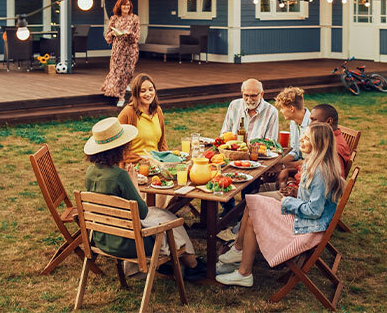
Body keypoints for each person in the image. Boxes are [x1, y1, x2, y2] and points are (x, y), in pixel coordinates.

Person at [215, 123, 346, 286]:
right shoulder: (316, 164)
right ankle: (240, 255)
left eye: (306, 138)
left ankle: (244, 271)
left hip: (307, 227)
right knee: (252, 201)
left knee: (253, 218)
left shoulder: (320, 172)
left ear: (319, 144)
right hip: (304, 217)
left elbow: (314, 210)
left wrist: (288, 202)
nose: (301, 139)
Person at [83, 117, 206, 280]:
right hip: (129, 243)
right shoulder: (120, 176)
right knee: (169, 220)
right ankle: (193, 265)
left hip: (102, 239)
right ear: (119, 148)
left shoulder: (90, 172)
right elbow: (142, 212)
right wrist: (133, 184)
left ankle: (187, 263)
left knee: (162, 214)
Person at [117, 73, 168, 191]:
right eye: (143, 91)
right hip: (135, 168)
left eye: (151, 89)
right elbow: (117, 143)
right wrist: (129, 163)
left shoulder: (157, 111)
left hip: (156, 166)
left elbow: (162, 141)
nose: (148, 94)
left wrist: (166, 161)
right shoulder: (128, 113)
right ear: (136, 93)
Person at [260, 87, 310, 191]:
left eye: (282, 108)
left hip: (308, 171)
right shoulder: (294, 122)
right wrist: (276, 163)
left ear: (291, 108)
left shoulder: (312, 126)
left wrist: (282, 166)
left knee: (271, 172)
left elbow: (308, 161)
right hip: (300, 165)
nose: (281, 111)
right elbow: (295, 151)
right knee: (268, 170)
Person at [101, 0, 140, 107]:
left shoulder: (135, 18)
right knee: (117, 72)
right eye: (124, 5)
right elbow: (107, 36)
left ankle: (124, 87)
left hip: (130, 50)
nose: (126, 7)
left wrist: (129, 34)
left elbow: (136, 37)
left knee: (128, 72)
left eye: (128, 5)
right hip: (118, 50)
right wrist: (113, 34)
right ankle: (120, 97)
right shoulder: (114, 19)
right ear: (120, 7)